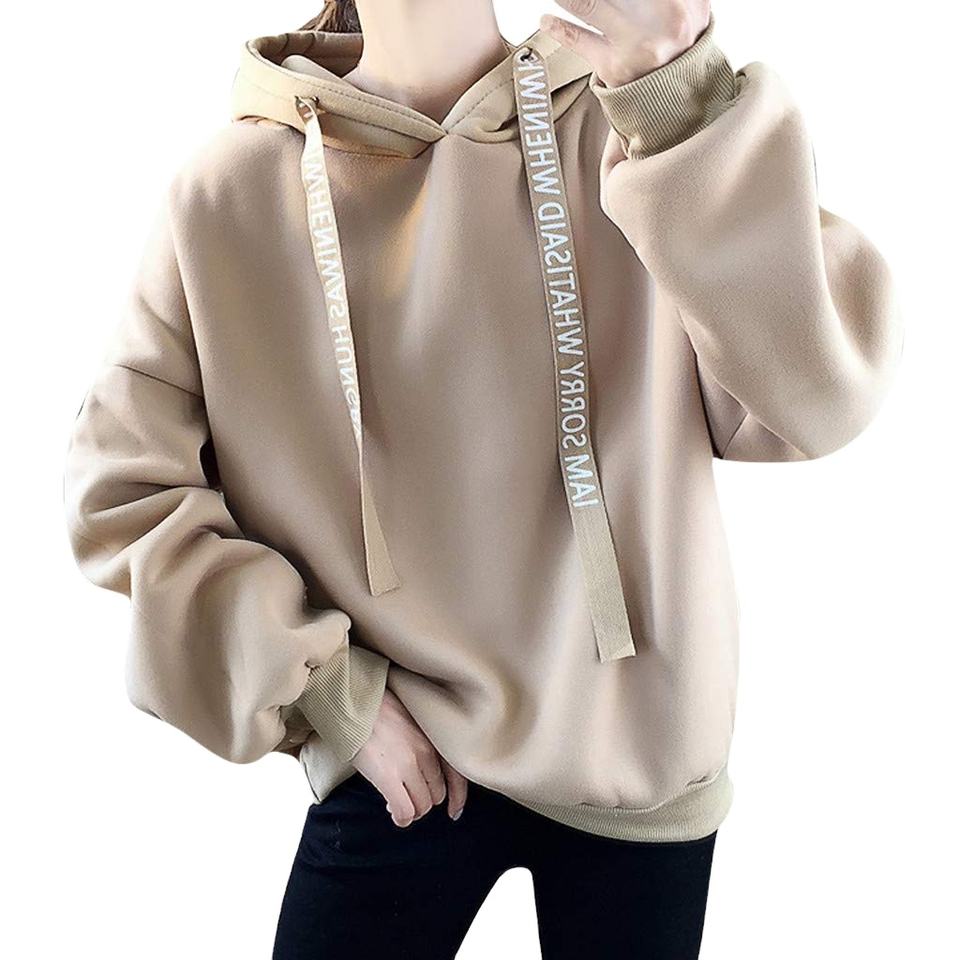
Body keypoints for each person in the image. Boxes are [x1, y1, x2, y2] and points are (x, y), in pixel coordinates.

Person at [62, 1, 904, 957]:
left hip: (637, 754)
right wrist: (329, 692)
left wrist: (681, 104)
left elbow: (813, 400)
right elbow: (123, 487)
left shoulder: (628, 127)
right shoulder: (229, 191)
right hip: (405, 759)